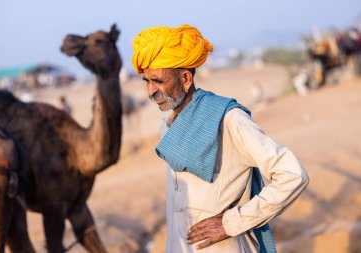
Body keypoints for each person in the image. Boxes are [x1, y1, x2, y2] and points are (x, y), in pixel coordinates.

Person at [132, 24, 309, 253]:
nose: (150, 91)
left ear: (185, 78)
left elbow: (293, 176)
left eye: (158, 81)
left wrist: (230, 223)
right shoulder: (167, 128)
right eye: (146, 81)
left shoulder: (228, 119)